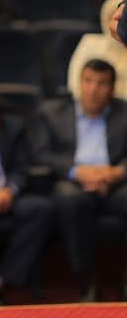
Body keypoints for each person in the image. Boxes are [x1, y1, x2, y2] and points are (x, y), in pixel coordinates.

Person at [34, 59, 127, 301]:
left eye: (101, 83)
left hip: (115, 183)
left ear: (113, 88)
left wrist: (117, 173)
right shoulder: (52, 113)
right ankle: (86, 280)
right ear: (79, 82)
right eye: (88, 81)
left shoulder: (124, 112)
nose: (93, 89)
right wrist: (76, 172)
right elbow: (40, 153)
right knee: (69, 199)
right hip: (73, 182)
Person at [0, 74, 56, 306]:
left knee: (41, 209)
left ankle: (0, 281)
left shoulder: (12, 124)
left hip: (4, 195)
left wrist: (9, 192)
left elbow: (22, 169)